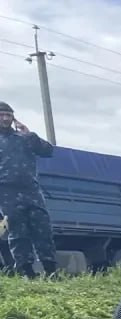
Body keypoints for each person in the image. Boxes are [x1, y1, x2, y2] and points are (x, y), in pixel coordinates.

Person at [0, 101, 56, 278]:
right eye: (1, 115)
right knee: (18, 232)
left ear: (13, 118)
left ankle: (51, 270)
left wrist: (30, 135)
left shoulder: (24, 138)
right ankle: (27, 272)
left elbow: (48, 151)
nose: (5, 118)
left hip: (31, 190)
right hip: (7, 192)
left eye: (8, 115)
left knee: (43, 229)